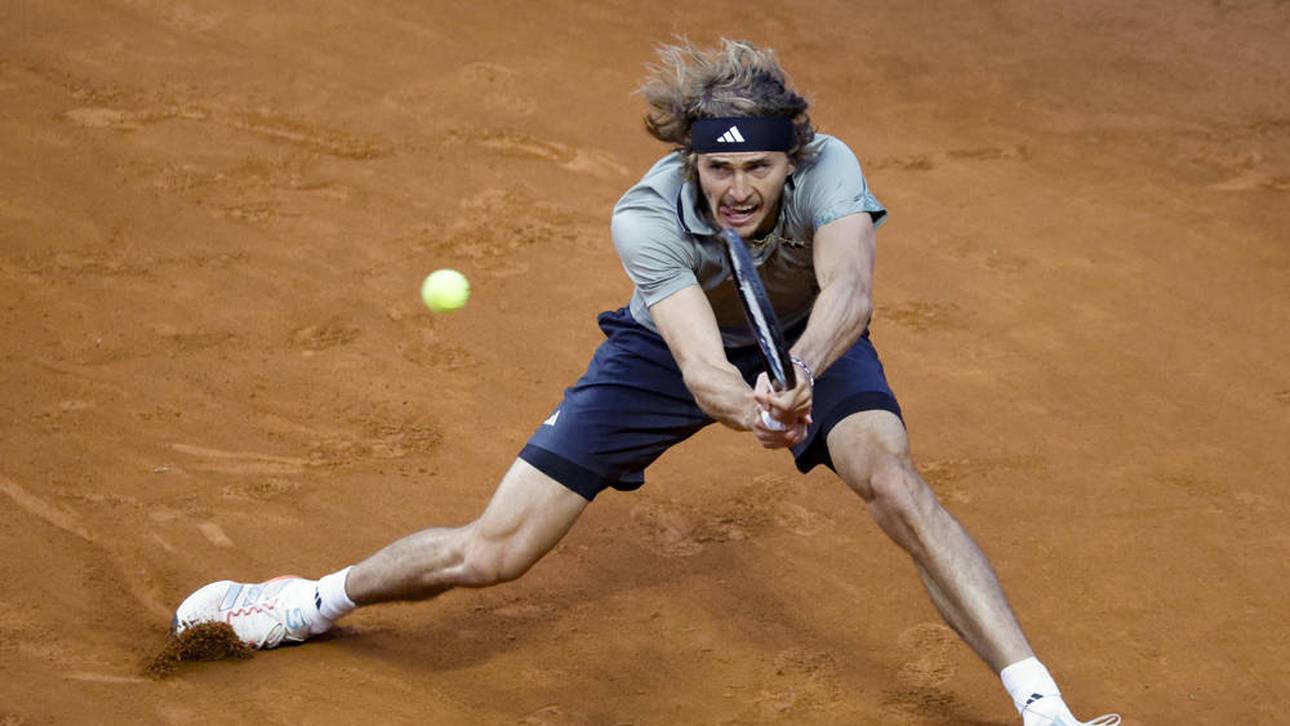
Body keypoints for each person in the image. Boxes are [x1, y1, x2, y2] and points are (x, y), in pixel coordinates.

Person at [173, 39, 1120, 726]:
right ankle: (306, 601)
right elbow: (701, 362)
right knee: (493, 552)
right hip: (664, 356)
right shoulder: (646, 215)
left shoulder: (834, 170)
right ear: (688, 161)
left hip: (806, 340)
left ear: (795, 159)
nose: (737, 189)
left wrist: (796, 374)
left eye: (758, 167)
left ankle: (1044, 710)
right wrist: (751, 402)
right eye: (718, 168)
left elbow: (850, 291)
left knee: (895, 485)